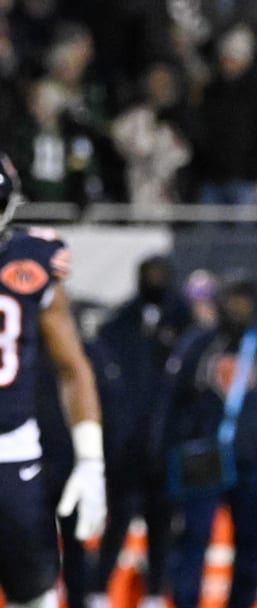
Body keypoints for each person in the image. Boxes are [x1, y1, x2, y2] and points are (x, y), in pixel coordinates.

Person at [0, 152, 106, 607]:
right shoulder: (31, 255)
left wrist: (91, 462)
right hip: (15, 456)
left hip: (13, 450)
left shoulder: (32, 259)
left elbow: (72, 366)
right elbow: (73, 367)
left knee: (36, 594)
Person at [157, 277, 257, 608]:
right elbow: (173, 403)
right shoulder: (201, 344)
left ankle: (242, 602)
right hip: (204, 457)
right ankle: (185, 600)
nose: (237, 309)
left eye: (244, 302)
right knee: (194, 538)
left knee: (250, 542)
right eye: (232, 301)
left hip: (253, 459)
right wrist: (165, 451)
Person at [87, 255, 192, 608]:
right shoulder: (121, 324)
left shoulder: (186, 325)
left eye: (161, 274)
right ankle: (100, 589)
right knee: (117, 521)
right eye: (150, 274)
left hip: (165, 445)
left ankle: (153, 593)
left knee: (161, 525)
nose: (156, 280)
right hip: (127, 447)